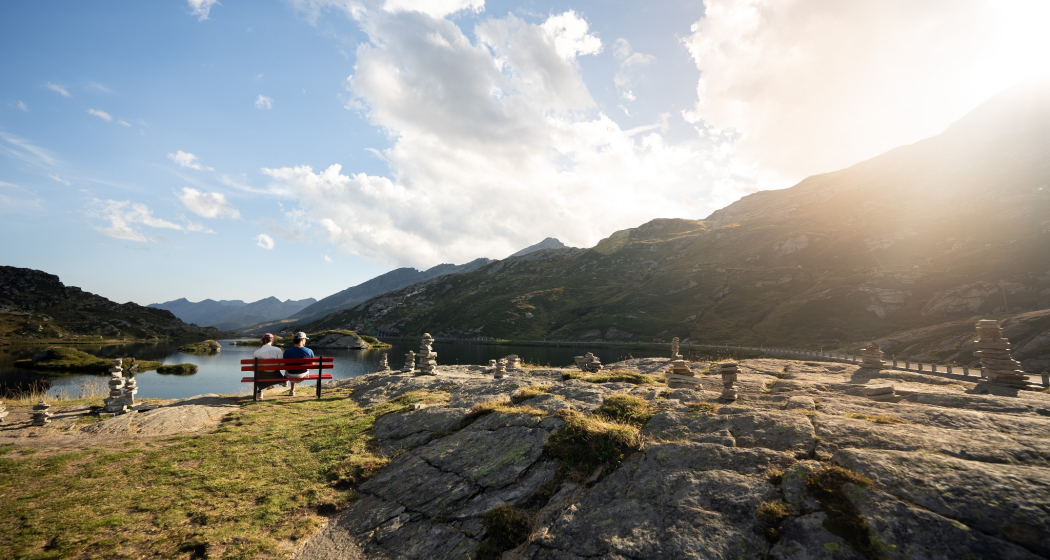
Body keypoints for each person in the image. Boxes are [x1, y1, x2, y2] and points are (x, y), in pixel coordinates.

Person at [252, 333, 285, 400]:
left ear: (262, 340)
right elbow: (282, 365)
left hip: (263, 376)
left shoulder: (257, 352)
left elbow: (254, 368)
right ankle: (271, 384)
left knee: (258, 373)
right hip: (276, 375)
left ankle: (260, 391)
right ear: (272, 340)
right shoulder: (278, 350)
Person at [283, 332, 315, 396]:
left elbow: (284, 364)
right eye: (305, 340)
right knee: (303, 368)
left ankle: (292, 390)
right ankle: (292, 390)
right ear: (302, 340)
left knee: (290, 368)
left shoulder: (287, 351)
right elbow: (312, 365)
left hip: (290, 375)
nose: (305, 341)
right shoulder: (309, 351)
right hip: (302, 375)